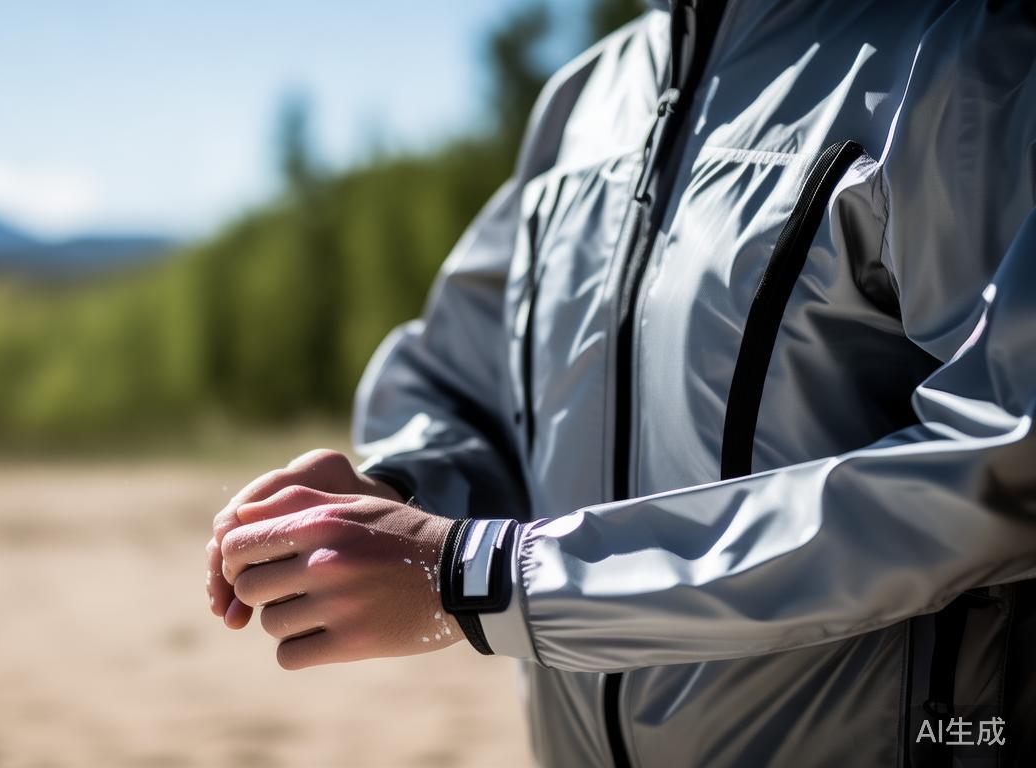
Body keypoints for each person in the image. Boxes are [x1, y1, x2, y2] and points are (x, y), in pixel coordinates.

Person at [205, 1, 1036, 765]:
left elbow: (1003, 467)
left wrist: (475, 577)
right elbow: (467, 377)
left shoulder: (968, 54)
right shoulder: (588, 97)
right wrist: (406, 491)